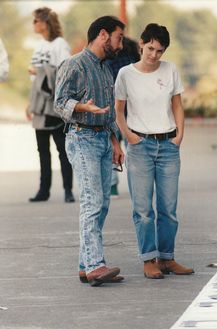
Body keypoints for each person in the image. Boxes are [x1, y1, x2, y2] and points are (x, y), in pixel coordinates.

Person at [115, 23, 194, 279]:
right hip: (140, 146)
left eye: (159, 51)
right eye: (150, 48)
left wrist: (180, 135)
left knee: (168, 209)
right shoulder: (126, 74)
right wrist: (129, 137)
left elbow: (178, 105)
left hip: (169, 145)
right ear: (141, 43)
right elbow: (118, 110)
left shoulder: (170, 69)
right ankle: (149, 259)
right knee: (143, 209)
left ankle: (167, 258)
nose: (154, 55)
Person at [54, 16, 125, 286]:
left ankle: (86, 265)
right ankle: (96, 265)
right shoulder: (73, 64)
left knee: (102, 203)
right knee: (92, 202)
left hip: (104, 140)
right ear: (103, 34)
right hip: (82, 138)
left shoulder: (106, 70)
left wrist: (116, 143)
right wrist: (84, 107)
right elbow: (59, 104)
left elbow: (108, 115)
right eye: (118, 37)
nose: (120, 44)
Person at [26, 7, 74, 203]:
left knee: (62, 149)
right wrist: (29, 103)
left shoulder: (60, 44)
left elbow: (64, 71)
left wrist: (40, 72)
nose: (34, 25)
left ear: (45, 23)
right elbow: (34, 78)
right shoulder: (39, 45)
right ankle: (43, 190)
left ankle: (68, 190)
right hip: (38, 103)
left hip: (53, 104)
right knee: (42, 150)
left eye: (36, 21)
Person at [107, 36, 140, 197]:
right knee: (132, 148)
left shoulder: (108, 57)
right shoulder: (132, 53)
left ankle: (113, 186)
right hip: (129, 108)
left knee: (114, 148)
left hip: (114, 108)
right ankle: (138, 183)